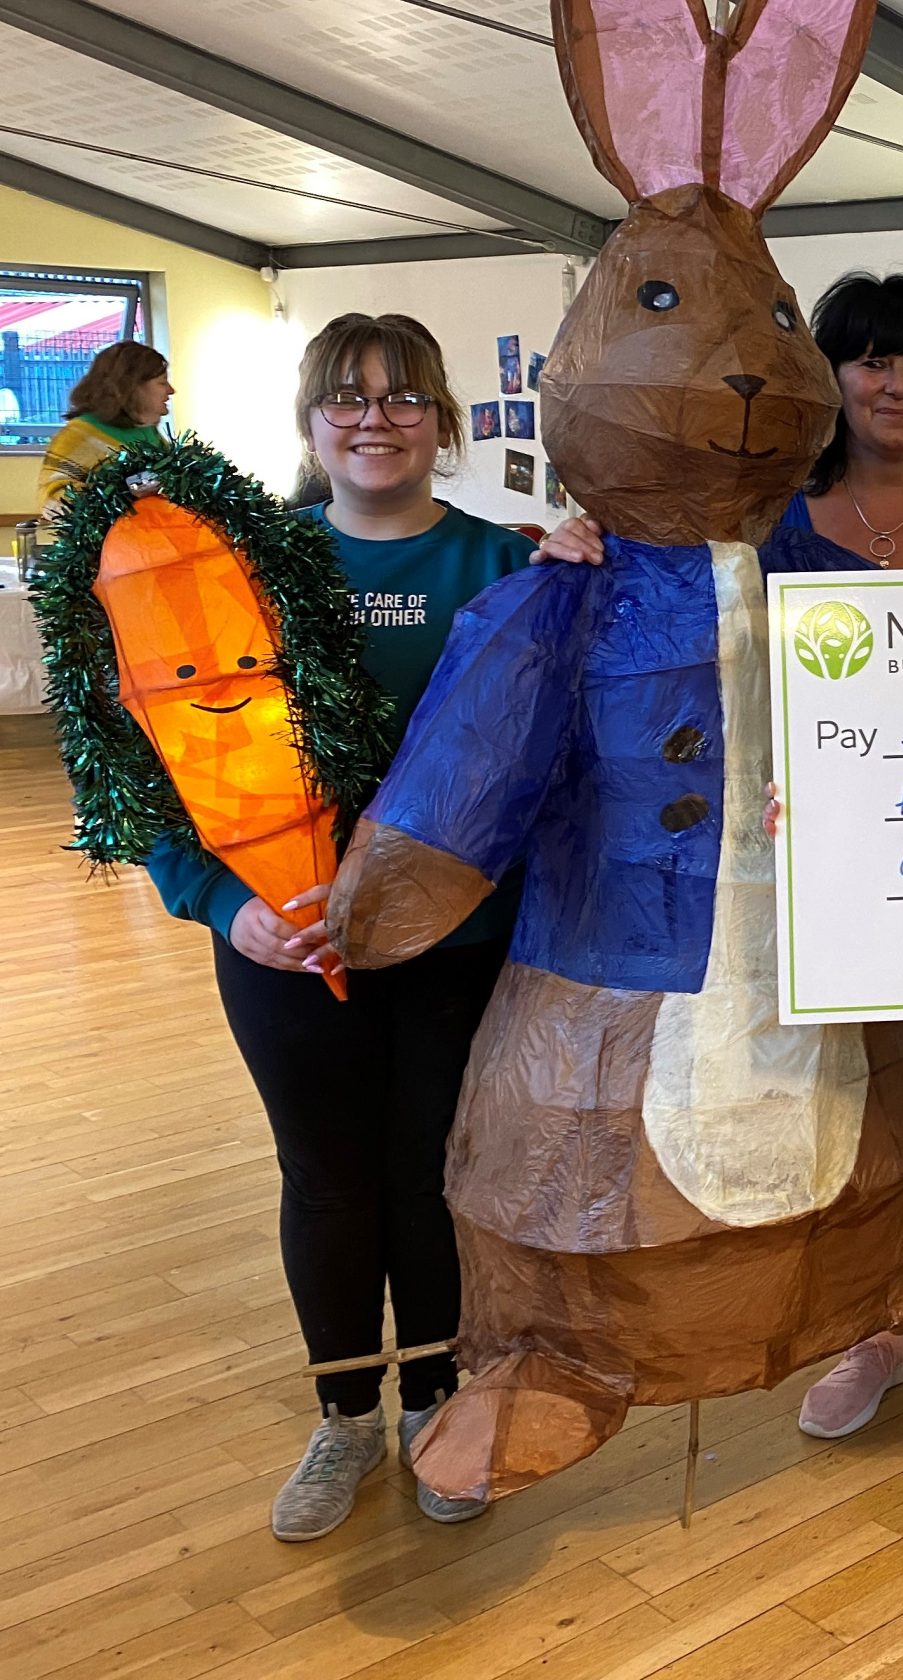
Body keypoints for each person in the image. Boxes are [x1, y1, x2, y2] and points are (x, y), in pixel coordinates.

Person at [535, 271, 903, 1479]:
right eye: (871, 359)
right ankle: (869, 1328)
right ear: (831, 381)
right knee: (855, 1115)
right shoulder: (765, 528)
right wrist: (584, 541)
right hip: (815, 892)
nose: (896, 383)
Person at [146, 313, 532, 1541]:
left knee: (428, 1178)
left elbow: (555, 767)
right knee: (325, 1178)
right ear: (313, 421)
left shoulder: (505, 569)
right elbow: (155, 770)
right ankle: (344, 1416)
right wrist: (225, 907)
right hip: (286, 947)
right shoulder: (242, 571)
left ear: (444, 420)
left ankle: (433, 1400)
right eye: (350, 397)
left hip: (453, 952)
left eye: (405, 396)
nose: (376, 419)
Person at [40, 340, 170, 512]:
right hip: (109, 539)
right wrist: (123, 494)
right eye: (162, 382)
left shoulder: (149, 433)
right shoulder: (78, 435)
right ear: (132, 387)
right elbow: (52, 498)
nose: (170, 390)